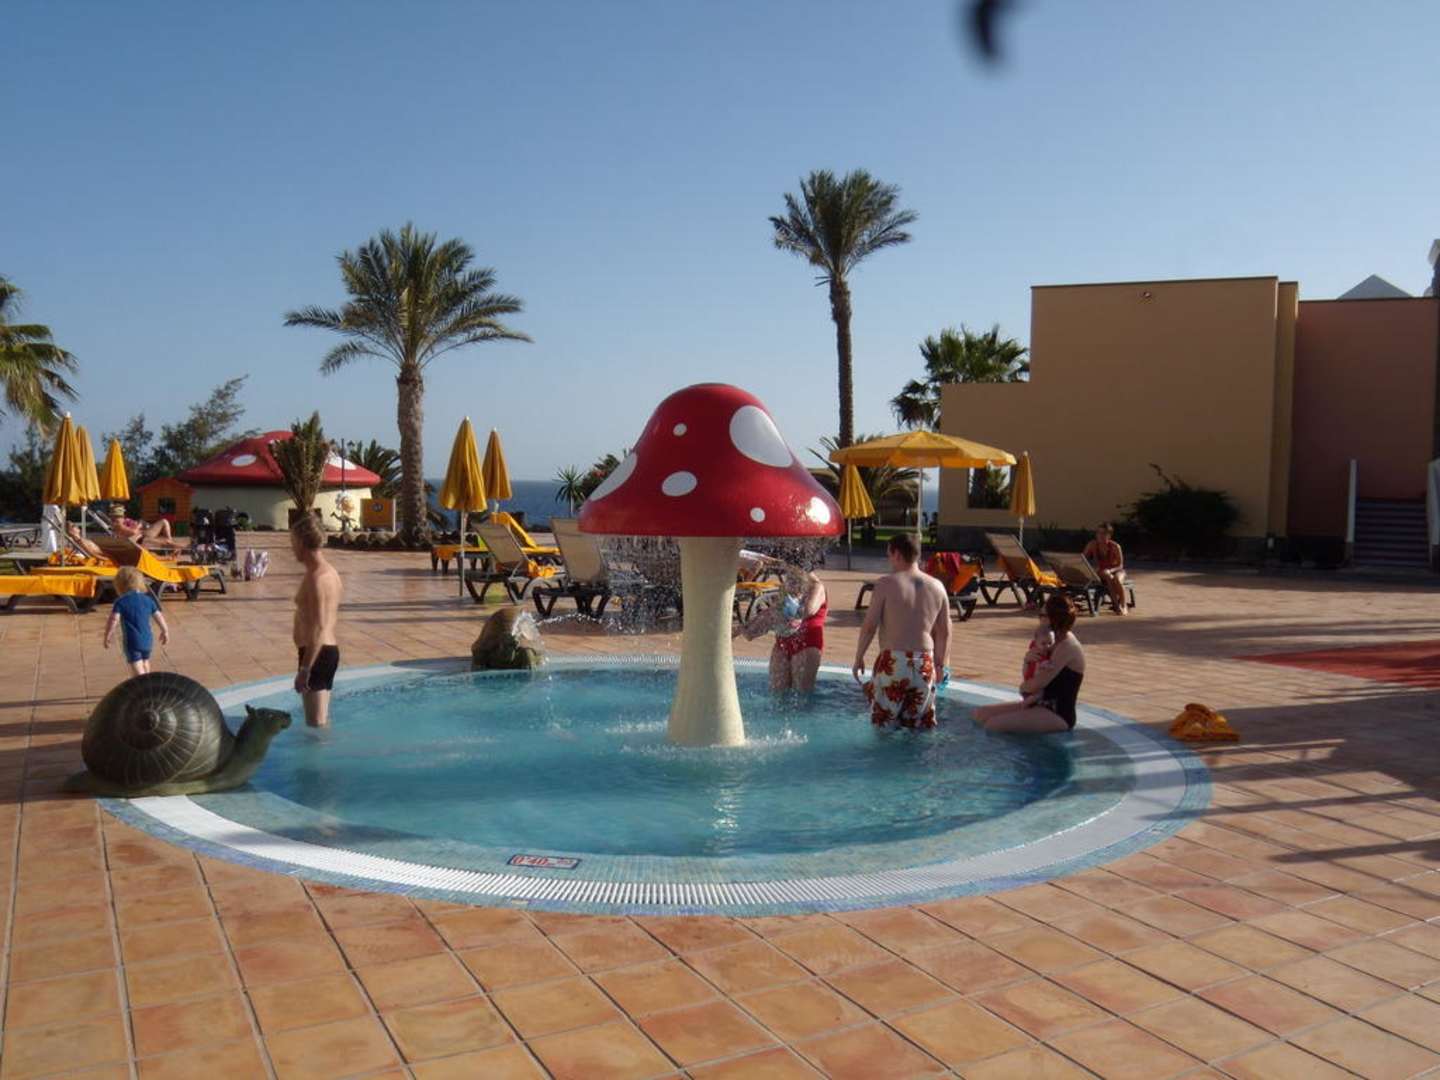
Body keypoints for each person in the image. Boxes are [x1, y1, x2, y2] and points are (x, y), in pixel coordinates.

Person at [852, 533, 951, 730]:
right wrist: (941, 666)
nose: (889, 560)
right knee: (919, 727)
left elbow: (869, 626)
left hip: (894, 660)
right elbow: (944, 632)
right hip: (925, 662)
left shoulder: (886, 584)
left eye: (889, 555)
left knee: (884, 725)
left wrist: (859, 657)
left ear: (897, 554)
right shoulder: (937, 586)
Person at [973, 594, 1085, 734]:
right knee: (980, 714)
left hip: (1057, 713)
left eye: (1041, 615)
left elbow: (1033, 686)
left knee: (994, 725)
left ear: (1052, 619)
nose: (1039, 619)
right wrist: (1027, 661)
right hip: (1038, 703)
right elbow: (1029, 681)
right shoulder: (1047, 640)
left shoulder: (1067, 647)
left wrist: (1023, 687)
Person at [740, 564, 828, 691]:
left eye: (790, 566)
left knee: (801, 695)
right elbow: (773, 611)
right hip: (782, 643)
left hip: (807, 644)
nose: (786, 571)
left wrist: (793, 600)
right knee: (776, 693)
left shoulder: (817, 587)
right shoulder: (788, 586)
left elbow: (807, 611)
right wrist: (749, 628)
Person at [291, 514, 343, 727]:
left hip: (317, 654)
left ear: (301, 542)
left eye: (293, 542)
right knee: (320, 721)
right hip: (323, 652)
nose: (292, 548)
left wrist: (305, 669)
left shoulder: (317, 578)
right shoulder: (329, 572)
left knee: (316, 725)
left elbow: (319, 627)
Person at [104, 566, 169, 676]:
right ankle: (147, 679)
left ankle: (143, 682)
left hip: (132, 641)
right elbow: (159, 616)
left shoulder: (121, 602)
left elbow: (113, 620)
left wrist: (107, 635)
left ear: (119, 585)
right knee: (145, 661)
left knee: (137, 667)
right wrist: (165, 631)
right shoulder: (148, 600)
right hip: (147, 640)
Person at [1083, 521, 1128, 615]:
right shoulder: (1092, 545)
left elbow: (1120, 565)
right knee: (1107, 576)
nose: (1100, 536)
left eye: (1103, 533)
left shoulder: (1115, 546)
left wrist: (1110, 570)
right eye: (1098, 533)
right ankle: (1116, 606)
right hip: (1102, 571)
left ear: (1109, 535)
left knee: (1117, 579)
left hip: (1116, 570)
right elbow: (1083, 559)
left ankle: (1123, 605)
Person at [113, 508, 182, 550]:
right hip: (141, 537)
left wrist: (137, 523)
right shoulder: (119, 525)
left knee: (164, 521)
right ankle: (173, 545)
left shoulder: (123, 522)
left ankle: (171, 542)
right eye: (121, 516)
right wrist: (139, 525)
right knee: (164, 523)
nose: (123, 517)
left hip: (142, 535)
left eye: (123, 515)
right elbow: (134, 532)